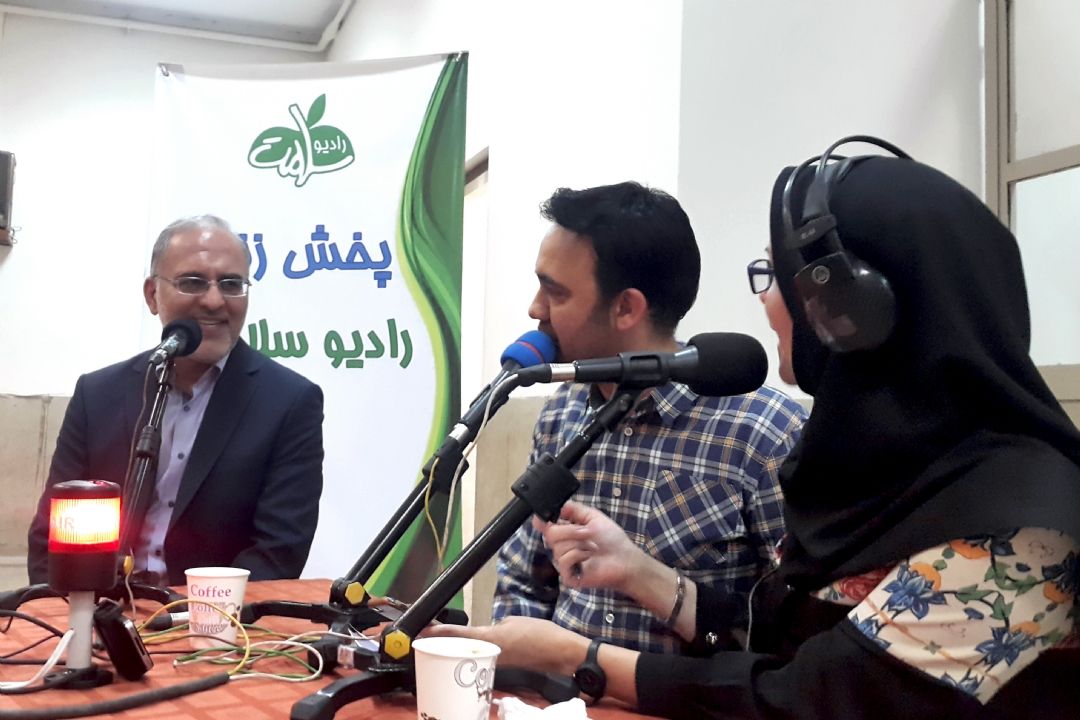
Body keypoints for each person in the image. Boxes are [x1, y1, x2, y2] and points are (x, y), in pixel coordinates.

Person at [434, 149, 1080, 717]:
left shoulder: (1017, 536)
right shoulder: (881, 478)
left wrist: (580, 657)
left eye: (775, 278)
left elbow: (803, 697)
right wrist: (635, 574)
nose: (765, 302)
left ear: (856, 311)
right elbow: (779, 637)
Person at [493, 181, 807, 655]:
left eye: (554, 292)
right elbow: (523, 582)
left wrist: (647, 579)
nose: (535, 309)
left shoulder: (763, 432)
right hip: (552, 692)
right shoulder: (561, 413)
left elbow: (790, 641)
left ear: (626, 308)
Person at [27, 215, 324, 586]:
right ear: (152, 295)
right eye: (193, 282)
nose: (214, 300)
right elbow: (51, 536)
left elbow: (278, 552)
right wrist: (66, 610)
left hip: (212, 616)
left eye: (231, 284)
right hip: (98, 607)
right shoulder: (98, 393)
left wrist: (187, 613)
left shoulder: (289, 402)